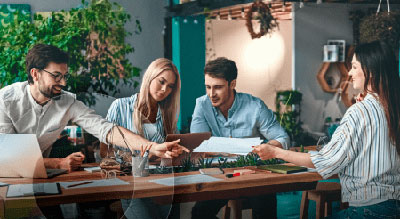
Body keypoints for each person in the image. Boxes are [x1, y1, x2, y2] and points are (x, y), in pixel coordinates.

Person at [0, 44, 187, 218]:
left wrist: (152, 146)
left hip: (40, 178)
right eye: (56, 76)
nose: (63, 82)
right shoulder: (6, 101)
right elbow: (8, 157)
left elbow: (106, 129)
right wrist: (58, 163)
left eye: (65, 76)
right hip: (7, 179)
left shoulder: (67, 102)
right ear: (35, 74)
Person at [253, 41, 400, 218]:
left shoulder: (359, 111)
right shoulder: (392, 107)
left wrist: (276, 152)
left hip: (368, 211)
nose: (350, 73)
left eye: (354, 67)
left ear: (370, 71)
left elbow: (326, 162)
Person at [190, 57, 290, 219]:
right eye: (208, 87)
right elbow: (198, 144)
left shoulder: (255, 106)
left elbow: (282, 137)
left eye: (218, 87)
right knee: (199, 214)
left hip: (253, 173)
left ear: (232, 84)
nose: (211, 94)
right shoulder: (202, 105)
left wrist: (269, 147)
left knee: (265, 206)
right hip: (219, 175)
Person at [105, 58, 185, 219]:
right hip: (134, 183)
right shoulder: (120, 107)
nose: (164, 90)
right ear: (150, 77)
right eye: (161, 82)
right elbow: (105, 152)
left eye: (170, 87)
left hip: (162, 181)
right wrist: (139, 157)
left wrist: (175, 152)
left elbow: (166, 154)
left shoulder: (166, 114)